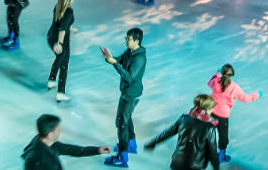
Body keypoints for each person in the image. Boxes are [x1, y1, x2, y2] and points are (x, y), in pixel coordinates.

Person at [102, 27, 147, 167]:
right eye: (126, 38)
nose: (126, 41)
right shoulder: (129, 51)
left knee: (121, 123)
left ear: (137, 41)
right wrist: (109, 58)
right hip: (127, 92)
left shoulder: (140, 58)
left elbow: (129, 78)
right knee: (126, 118)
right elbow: (119, 60)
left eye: (128, 39)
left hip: (131, 94)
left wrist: (114, 64)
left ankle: (123, 156)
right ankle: (131, 144)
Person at [142, 94, 221, 170]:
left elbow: (167, 133)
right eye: (211, 108)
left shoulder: (183, 119)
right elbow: (212, 152)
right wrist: (216, 168)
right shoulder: (209, 127)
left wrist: (152, 143)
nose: (212, 110)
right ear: (207, 109)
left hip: (177, 162)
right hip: (194, 166)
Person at [207, 64, 259, 163]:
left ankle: (203, 150)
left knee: (207, 131)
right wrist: (257, 94)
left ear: (222, 72)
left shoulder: (215, 81)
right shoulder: (235, 87)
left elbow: (209, 83)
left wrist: (217, 74)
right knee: (223, 136)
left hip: (211, 112)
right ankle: (221, 156)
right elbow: (246, 98)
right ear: (232, 74)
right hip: (223, 116)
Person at [21, 114, 110, 170]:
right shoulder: (37, 159)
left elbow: (73, 150)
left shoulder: (47, 142)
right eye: (58, 129)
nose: (60, 131)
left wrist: (97, 150)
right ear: (49, 134)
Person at [47, 0, 76, 102]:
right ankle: (60, 92)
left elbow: (61, 23)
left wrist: (71, 28)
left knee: (60, 59)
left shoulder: (58, 6)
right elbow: (62, 29)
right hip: (61, 40)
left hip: (51, 37)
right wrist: (60, 43)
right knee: (64, 63)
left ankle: (51, 80)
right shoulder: (69, 11)